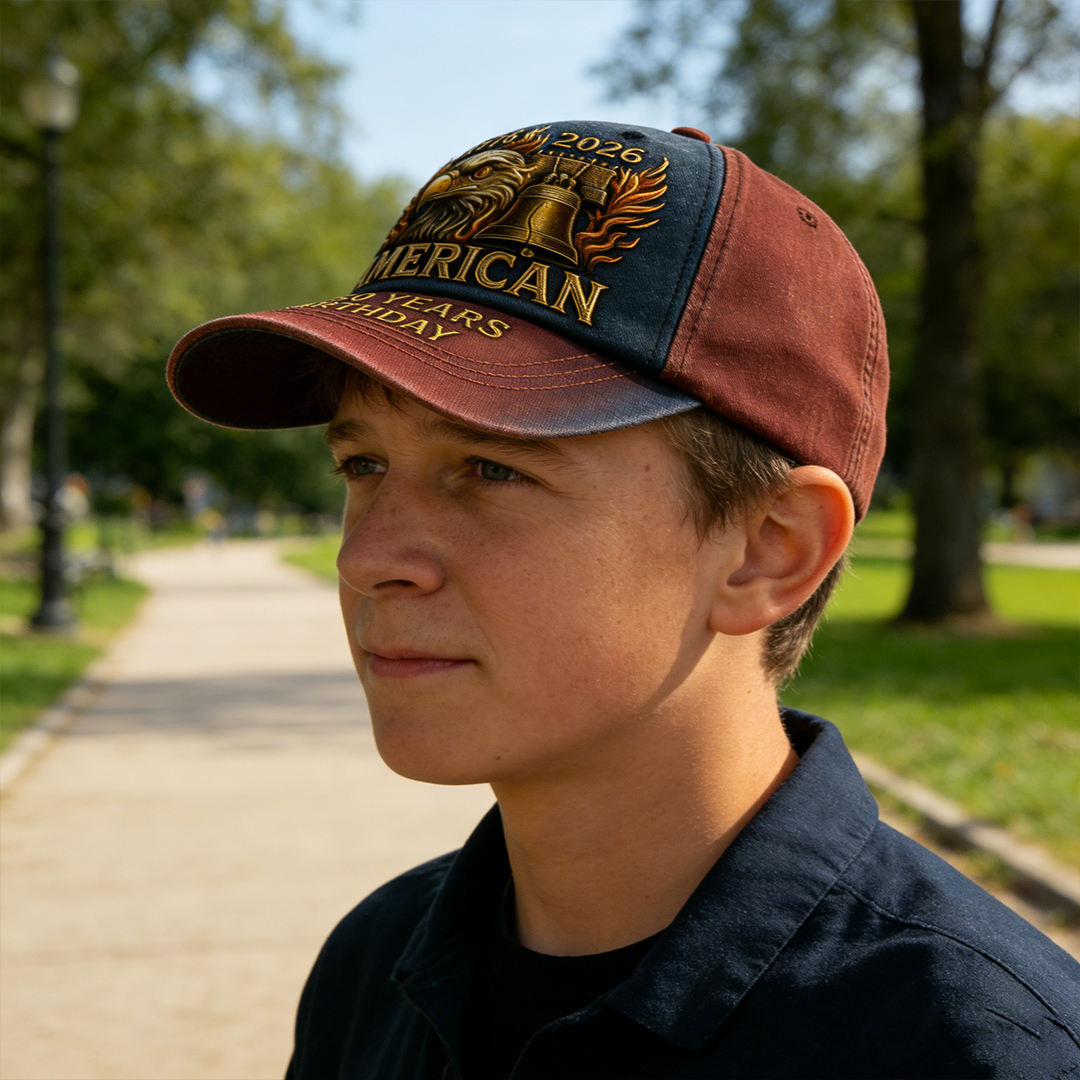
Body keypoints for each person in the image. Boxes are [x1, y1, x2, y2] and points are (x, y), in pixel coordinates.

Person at [167, 122, 1079, 1080]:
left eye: (489, 466)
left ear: (771, 550)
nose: (369, 556)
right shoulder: (371, 968)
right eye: (364, 463)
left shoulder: (965, 1049)